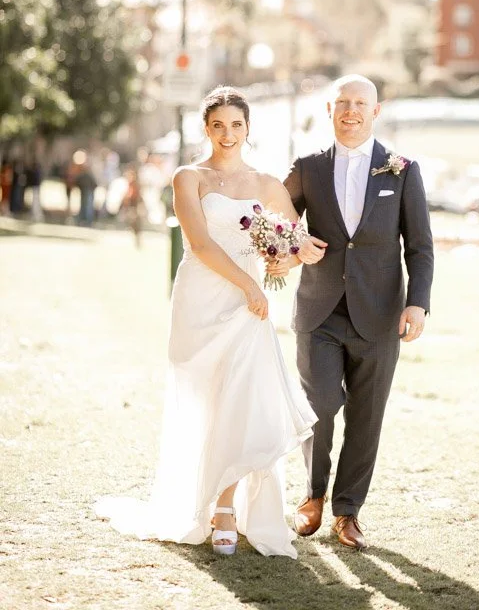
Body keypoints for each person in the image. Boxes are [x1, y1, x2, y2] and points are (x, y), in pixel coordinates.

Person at [95, 86, 318, 558]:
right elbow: (199, 244)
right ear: (206, 129)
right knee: (207, 397)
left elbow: (300, 242)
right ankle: (198, 499)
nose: (227, 134)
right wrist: (250, 284)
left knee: (242, 397)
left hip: (249, 308)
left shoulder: (267, 184)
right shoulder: (188, 177)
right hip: (202, 297)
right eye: (218, 125)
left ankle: (225, 507)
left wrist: (284, 261)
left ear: (248, 128)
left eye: (236, 125)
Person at [279, 74, 434, 549]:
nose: (351, 111)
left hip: (380, 315)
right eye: (342, 102)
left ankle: (347, 512)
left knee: (367, 416)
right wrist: (294, 244)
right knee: (320, 405)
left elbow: (420, 245)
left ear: (375, 111)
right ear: (329, 110)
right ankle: (312, 496)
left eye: (360, 103)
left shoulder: (402, 170)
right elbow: (276, 221)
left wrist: (417, 303)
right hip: (319, 312)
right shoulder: (307, 167)